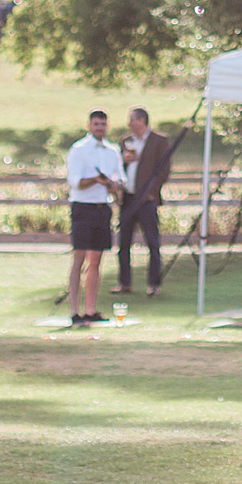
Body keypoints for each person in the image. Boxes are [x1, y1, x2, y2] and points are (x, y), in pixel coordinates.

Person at [66, 106, 124, 325]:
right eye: (96, 124)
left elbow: (120, 179)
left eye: (103, 124)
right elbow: (76, 182)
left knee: (96, 260)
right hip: (83, 206)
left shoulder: (112, 150)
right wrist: (96, 179)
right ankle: (74, 310)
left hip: (102, 207)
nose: (100, 127)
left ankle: (91, 309)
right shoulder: (79, 150)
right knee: (79, 259)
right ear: (90, 125)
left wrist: (112, 184)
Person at [118, 106, 174, 297]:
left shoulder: (159, 140)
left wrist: (152, 192)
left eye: (132, 119)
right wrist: (123, 160)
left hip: (146, 198)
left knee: (152, 241)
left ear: (142, 121)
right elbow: (118, 168)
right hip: (128, 197)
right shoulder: (126, 141)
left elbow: (164, 169)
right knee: (123, 242)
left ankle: (154, 283)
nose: (129, 123)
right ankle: (124, 282)